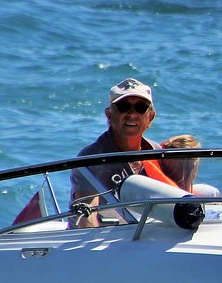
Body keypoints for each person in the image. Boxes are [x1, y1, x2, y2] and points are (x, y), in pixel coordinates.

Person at [70, 78, 178, 227]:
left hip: (149, 236)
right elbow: (87, 219)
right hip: (104, 240)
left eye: (140, 107)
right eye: (123, 106)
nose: (132, 114)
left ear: (150, 117)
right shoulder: (90, 159)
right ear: (109, 115)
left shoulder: (158, 154)